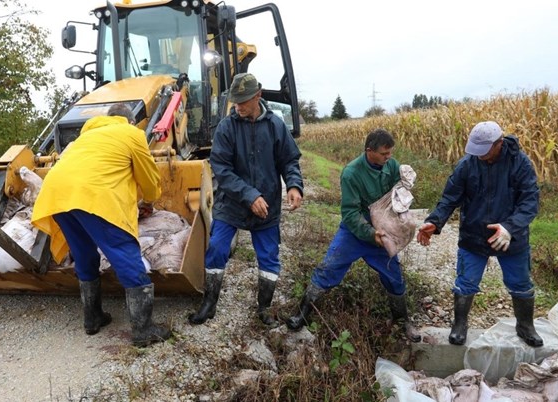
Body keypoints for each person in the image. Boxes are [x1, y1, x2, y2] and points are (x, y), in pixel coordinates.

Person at [31, 103, 171, 347]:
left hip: (56, 196)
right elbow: (149, 180)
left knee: (83, 253)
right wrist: (148, 200)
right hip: (93, 197)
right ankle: (143, 328)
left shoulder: (84, 137)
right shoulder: (132, 134)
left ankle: (92, 318)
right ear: (129, 121)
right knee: (124, 251)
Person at [188, 72, 304, 327]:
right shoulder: (226, 128)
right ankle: (209, 304)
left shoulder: (276, 126)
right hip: (232, 203)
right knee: (217, 247)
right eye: (235, 101)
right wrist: (249, 196)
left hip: (267, 206)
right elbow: (222, 169)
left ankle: (263, 309)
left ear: (258, 96)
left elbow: (289, 160)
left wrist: (294, 185)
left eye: (243, 101)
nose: (238, 106)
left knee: (269, 257)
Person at [285, 129, 422, 343]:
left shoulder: (391, 166)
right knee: (327, 268)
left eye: (390, 153)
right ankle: (302, 314)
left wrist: (406, 184)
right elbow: (349, 212)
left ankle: (402, 320)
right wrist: (369, 233)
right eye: (384, 154)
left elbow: (398, 193)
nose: (389, 158)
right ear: (369, 151)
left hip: (383, 231)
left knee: (394, 275)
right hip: (354, 233)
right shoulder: (351, 173)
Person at [416, 121, 543, 347]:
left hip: (510, 238)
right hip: (473, 235)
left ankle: (525, 326)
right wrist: (434, 222)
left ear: (499, 144)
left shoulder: (520, 164)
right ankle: (460, 324)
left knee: (520, 283)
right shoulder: (467, 165)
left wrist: (510, 227)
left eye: (483, 151)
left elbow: (530, 202)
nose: (479, 156)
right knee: (465, 282)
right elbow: (449, 198)